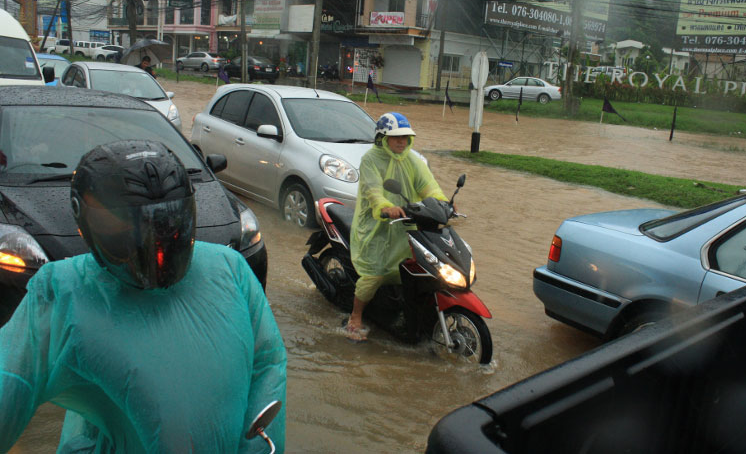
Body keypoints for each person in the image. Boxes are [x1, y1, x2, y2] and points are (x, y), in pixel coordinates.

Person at [0, 140, 287, 453]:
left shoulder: (229, 269)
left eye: (168, 230)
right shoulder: (63, 293)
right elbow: (9, 384)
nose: (156, 254)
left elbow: (268, 364)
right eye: (132, 235)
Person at [346, 112, 448, 341]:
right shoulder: (370, 160)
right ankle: (355, 315)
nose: (401, 141)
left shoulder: (413, 160)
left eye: (405, 137)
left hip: (407, 222)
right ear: (382, 138)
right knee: (375, 273)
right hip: (376, 225)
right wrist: (384, 206)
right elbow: (373, 190)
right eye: (396, 137)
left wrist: (442, 203)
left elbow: (428, 186)